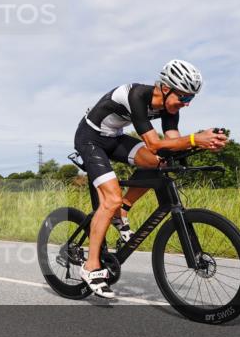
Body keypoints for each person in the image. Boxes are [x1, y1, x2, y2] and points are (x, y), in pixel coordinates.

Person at [74, 59, 227, 298]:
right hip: (91, 138)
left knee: (161, 162)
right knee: (110, 199)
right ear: (166, 88)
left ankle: (123, 210)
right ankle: (91, 265)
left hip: (115, 138)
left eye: (191, 100)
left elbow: (172, 144)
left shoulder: (169, 108)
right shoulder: (137, 95)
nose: (186, 104)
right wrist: (196, 139)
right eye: (184, 98)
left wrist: (207, 144)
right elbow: (154, 142)